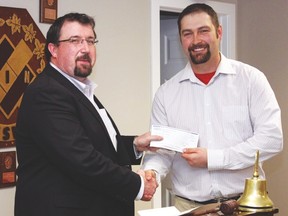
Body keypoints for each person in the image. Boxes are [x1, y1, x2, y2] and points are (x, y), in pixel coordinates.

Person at [14, 12, 162, 216]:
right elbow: (81, 158)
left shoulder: (78, 89)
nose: (85, 49)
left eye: (90, 41)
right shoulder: (47, 92)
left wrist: (134, 144)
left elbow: (94, 143)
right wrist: (137, 184)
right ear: (53, 49)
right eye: (75, 41)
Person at [142, 3, 283, 212]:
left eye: (203, 31)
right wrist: (151, 173)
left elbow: (271, 139)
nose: (196, 40)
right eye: (187, 34)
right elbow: (163, 151)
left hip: (244, 206)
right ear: (181, 39)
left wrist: (214, 158)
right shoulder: (166, 93)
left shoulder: (251, 80)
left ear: (219, 32)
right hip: (188, 208)